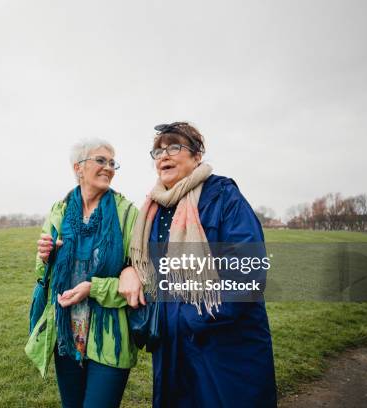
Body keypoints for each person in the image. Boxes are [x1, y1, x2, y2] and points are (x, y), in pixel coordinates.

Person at [119, 122, 277, 408]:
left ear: (197, 156)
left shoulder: (223, 196)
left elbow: (249, 272)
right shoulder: (154, 208)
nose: (163, 155)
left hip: (224, 344)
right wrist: (130, 268)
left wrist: (192, 318)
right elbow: (148, 262)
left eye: (174, 147)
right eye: (157, 151)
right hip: (174, 348)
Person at [26, 139, 140, 408]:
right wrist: (46, 257)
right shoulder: (60, 211)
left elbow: (143, 281)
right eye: (101, 160)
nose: (109, 168)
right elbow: (43, 274)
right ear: (78, 168)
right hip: (66, 335)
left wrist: (94, 288)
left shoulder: (128, 215)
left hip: (109, 336)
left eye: (112, 163)